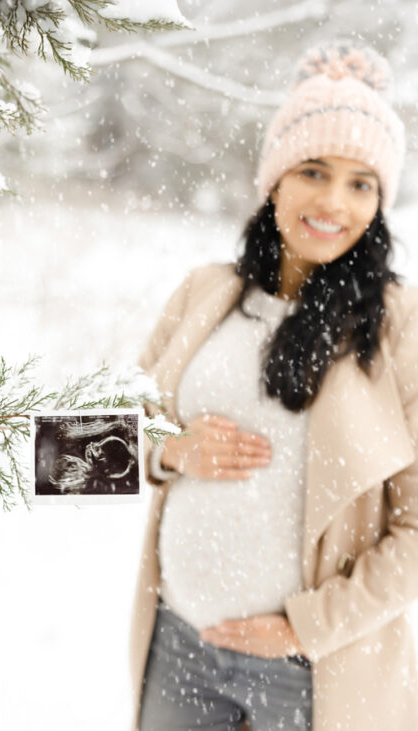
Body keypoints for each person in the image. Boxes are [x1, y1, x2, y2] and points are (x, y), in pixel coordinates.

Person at [131, 43, 418, 730]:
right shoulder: (207, 294)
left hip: (313, 672)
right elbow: (76, 448)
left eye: (361, 183)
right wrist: (171, 451)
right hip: (179, 646)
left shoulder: (396, 326)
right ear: (274, 179)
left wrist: (306, 627)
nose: (332, 201)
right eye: (313, 171)